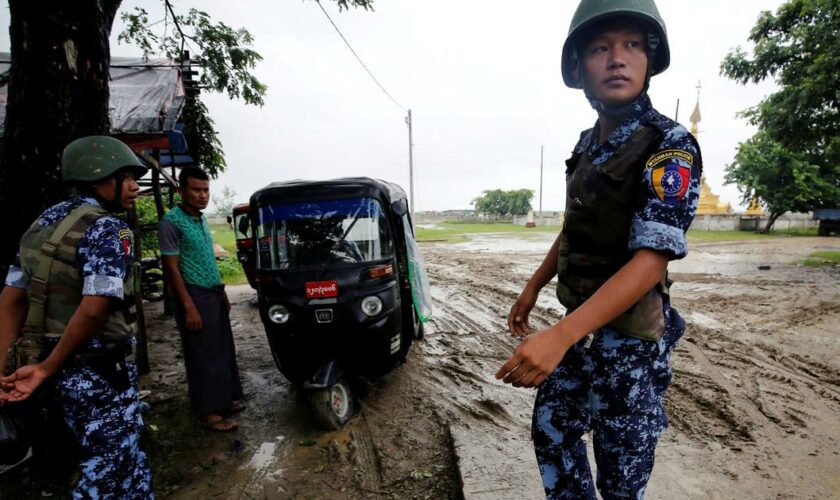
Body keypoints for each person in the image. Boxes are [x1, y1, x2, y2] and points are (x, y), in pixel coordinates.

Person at [495, 0, 702, 498]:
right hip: (581, 333)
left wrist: (557, 336)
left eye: (632, 45)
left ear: (650, 61)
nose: (617, 58)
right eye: (600, 48)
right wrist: (533, 286)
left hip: (628, 343)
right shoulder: (589, 143)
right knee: (551, 430)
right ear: (580, 68)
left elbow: (651, 261)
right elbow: (576, 226)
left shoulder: (668, 145)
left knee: (620, 472)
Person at [0, 135, 153, 497]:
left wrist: (5, 369)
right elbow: (96, 305)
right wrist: (47, 368)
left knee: (91, 455)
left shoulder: (43, 223)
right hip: (94, 368)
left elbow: (10, 297)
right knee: (110, 463)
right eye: (126, 177)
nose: (134, 187)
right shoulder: (109, 228)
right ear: (97, 176)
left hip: (45, 366)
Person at [158, 166, 244, 432]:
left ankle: (223, 400)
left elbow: (207, 258)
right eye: (196, 190)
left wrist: (222, 291)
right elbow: (171, 268)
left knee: (221, 349)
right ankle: (207, 412)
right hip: (193, 295)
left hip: (212, 293)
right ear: (180, 191)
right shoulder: (171, 222)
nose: (202, 195)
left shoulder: (202, 219)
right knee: (202, 355)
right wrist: (188, 306)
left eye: (205, 189)